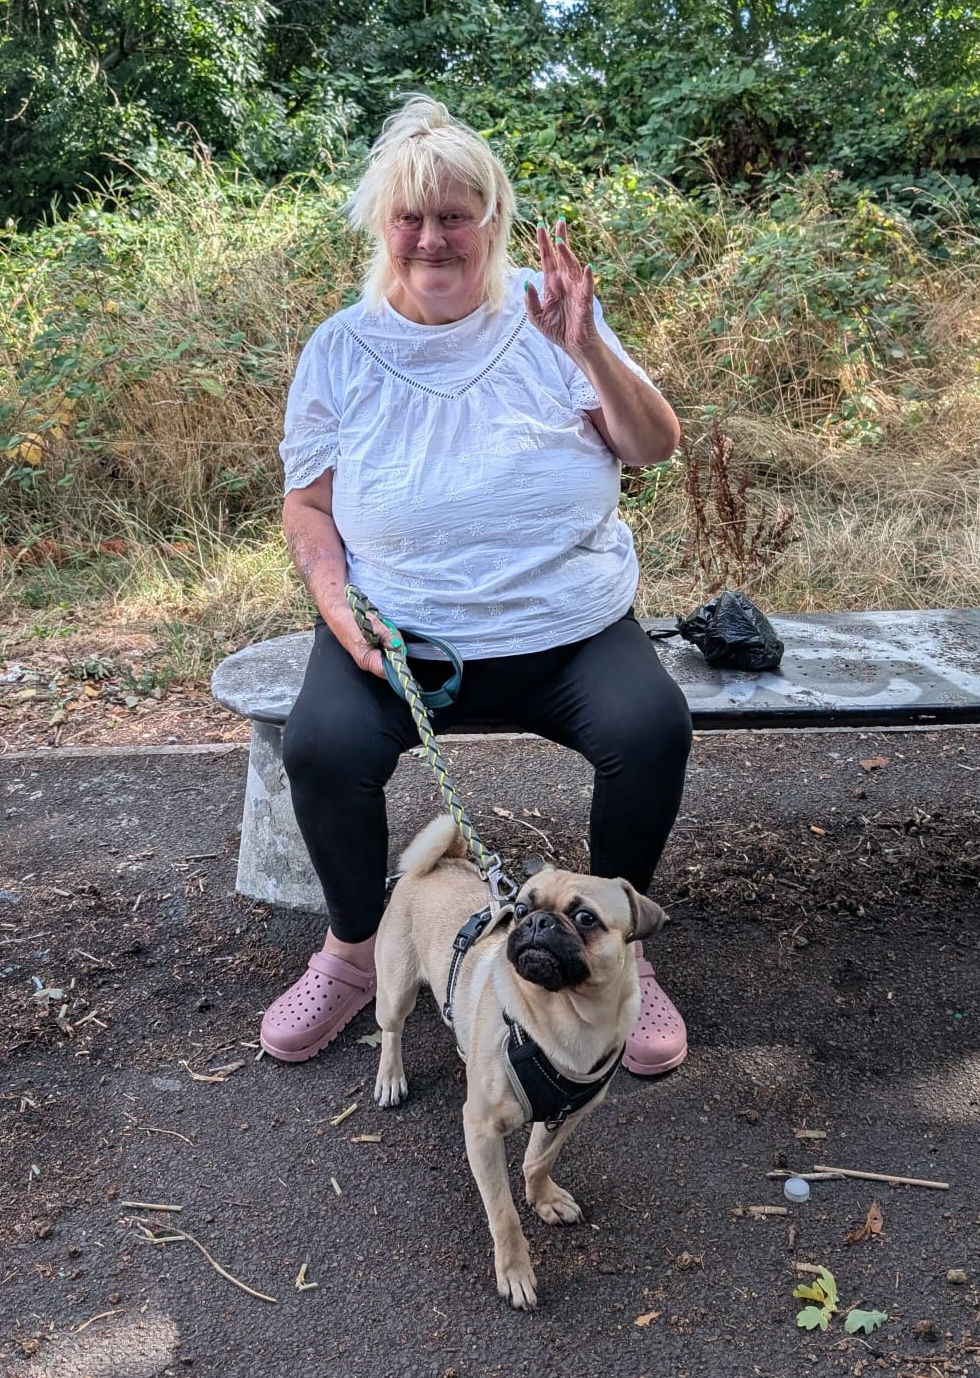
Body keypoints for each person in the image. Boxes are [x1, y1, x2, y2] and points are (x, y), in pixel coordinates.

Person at [263, 94, 693, 1077]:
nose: (431, 239)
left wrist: (586, 348)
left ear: (491, 220)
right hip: (401, 639)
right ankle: (353, 949)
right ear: (382, 227)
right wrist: (342, 616)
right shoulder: (340, 348)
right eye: (410, 217)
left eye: (454, 215)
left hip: (568, 629)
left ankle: (617, 951)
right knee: (322, 746)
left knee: (648, 728)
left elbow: (652, 445)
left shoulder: (552, 317)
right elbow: (309, 508)